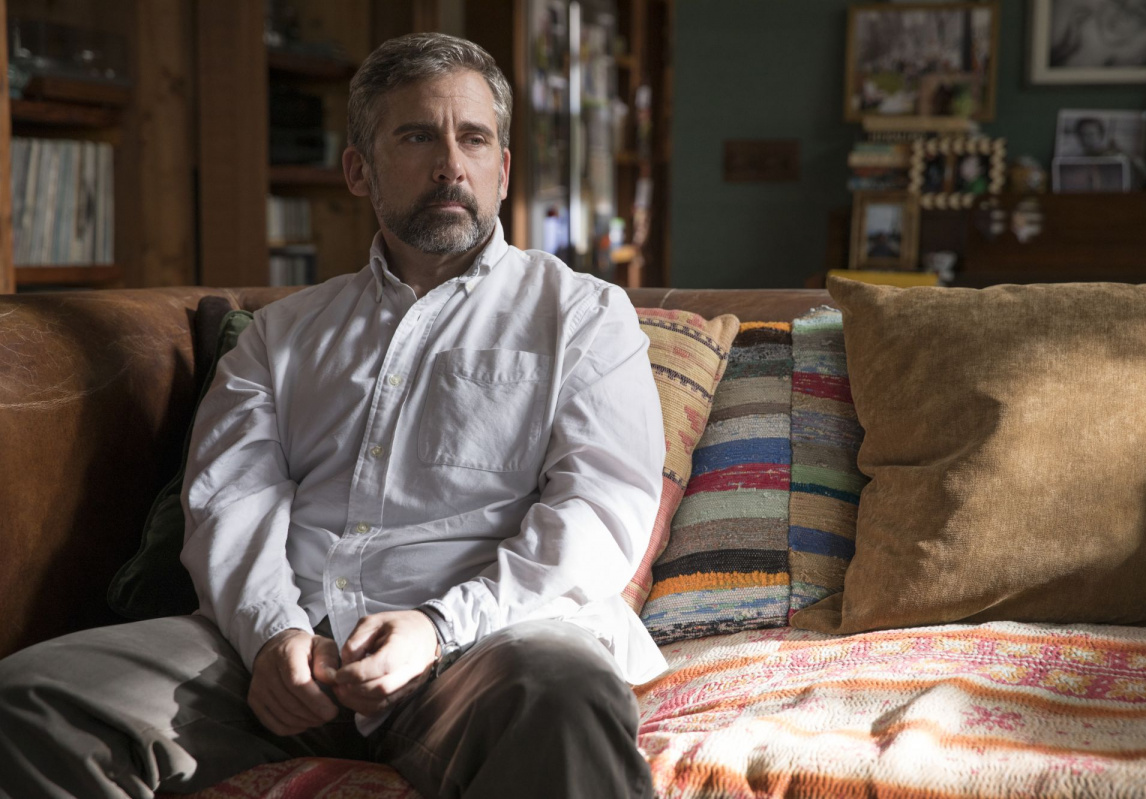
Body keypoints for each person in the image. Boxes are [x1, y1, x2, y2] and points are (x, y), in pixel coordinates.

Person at [0, 33, 665, 799]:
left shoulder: (583, 316)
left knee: (564, 688)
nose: (451, 164)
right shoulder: (281, 334)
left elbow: (599, 512)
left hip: (484, 652)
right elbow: (229, 500)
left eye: (474, 138)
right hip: (284, 660)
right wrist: (271, 634)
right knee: (34, 698)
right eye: (416, 136)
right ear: (358, 170)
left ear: (503, 168)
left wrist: (438, 627)